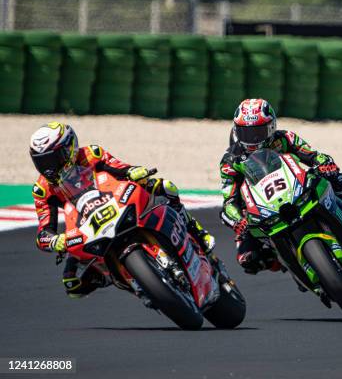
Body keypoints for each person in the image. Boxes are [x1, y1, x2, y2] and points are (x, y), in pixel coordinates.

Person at [30, 121, 214, 298]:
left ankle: (197, 232)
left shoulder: (91, 154)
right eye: (41, 162)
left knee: (166, 187)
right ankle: (115, 276)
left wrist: (133, 171)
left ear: (69, 148)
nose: (48, 169)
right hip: (85, 224)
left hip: (114, 198)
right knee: (72, 284)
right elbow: (43, 232)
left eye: (52, 159)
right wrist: (55, 241)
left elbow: (120, 169)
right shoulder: (42, 189)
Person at [219, 98, 342, 274]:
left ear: (271, 128)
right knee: (247, 258)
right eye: (245, 133)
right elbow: (229, 202)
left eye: (257, 132)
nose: (252, 139)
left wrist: (325, 163)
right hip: (259, 211)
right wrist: (238, 220)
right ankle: (284, 260)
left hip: (297, 190)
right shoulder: (230, 162)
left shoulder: (285, 138)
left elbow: (313, 155)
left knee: (336, 179)